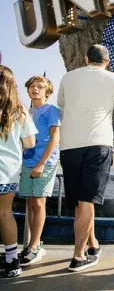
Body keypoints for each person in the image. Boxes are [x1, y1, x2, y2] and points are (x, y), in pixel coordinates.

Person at [58, 44, 114, 272]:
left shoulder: (68, 78)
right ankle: (78, 256)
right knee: (87, 200)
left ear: (85, 58)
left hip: (70, 145)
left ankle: (93, 245)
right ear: (108, 61)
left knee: (81, 202)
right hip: (97, 146)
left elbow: (62, 108)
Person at [17, 76, 60, 266]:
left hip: (44, 162)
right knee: (30, 201)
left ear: (47, 91)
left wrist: (41, 164)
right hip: (27, 161)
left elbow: (54, 137)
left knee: (40, 203)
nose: (35, 89)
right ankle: (31, 244)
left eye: (40, 87)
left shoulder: (51, 110)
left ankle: (35, 246)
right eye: (32, 86)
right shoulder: (26, 111)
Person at [0, 65, 37, 278]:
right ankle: (12, 261)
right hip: (7, 171)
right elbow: (30, 142)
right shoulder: (19, 110)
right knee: (5, 213)